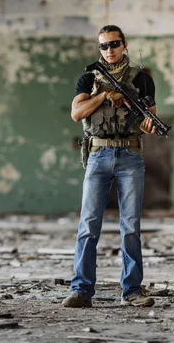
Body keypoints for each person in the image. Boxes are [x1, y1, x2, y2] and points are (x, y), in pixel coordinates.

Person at [63, 25, 157, 308]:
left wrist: (143, 118)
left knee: (130, 226)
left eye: (114, 44)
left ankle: (131, 291)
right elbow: (77, 113)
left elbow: (150, 120)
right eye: (104, 46)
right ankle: (81, 290)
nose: (110, 50)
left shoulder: (141, 79)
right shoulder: (89, 78)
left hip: (129, 155)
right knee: (89, 224)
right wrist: (103, 95)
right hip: (98, 154)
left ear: (124, 45)